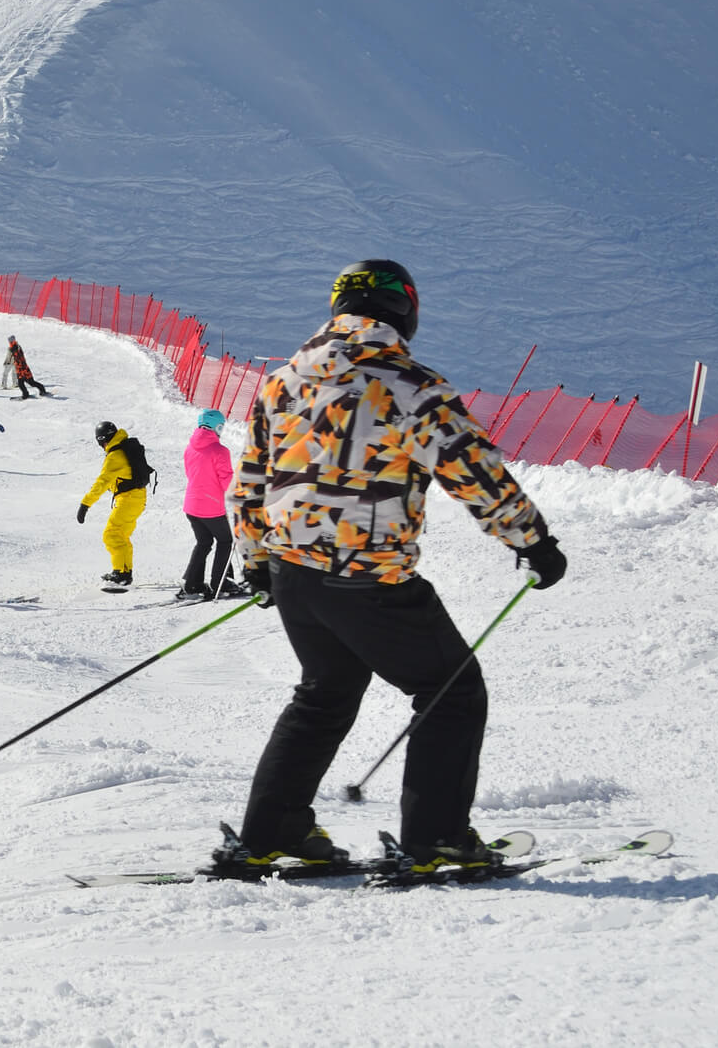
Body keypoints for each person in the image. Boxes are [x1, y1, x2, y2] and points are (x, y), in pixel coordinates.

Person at [226, 259, 566, 875]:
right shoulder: (405, 381)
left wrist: (254, 560)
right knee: (452, 691)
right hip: (367, 575)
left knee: (325, 693)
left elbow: (249, 478)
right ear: (405, 310)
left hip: (294, 571)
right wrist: (533, 540)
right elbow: (471, 468)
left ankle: (272, 832)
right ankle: (435, 839)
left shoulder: (282, 382)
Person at [76, 421, 151, 587]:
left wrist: (85, 504)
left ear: (102, 440)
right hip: (135, 498)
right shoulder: (122, 449)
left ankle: (121, 573)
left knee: (111, 534)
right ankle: (124, 571)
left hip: (129, 499)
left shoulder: (115, 456)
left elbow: (101, 483)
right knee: (121, 535)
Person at [178, 410, 238, 600]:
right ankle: (219, 582)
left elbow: (191, 473)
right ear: (216, 427)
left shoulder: (190, 448)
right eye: (221, 427)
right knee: (225, 541)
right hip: (210, 508)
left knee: (204, 542)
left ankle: (191, 583)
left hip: (191, 505)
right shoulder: (220, 451)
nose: (222, 431)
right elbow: (226, 481)